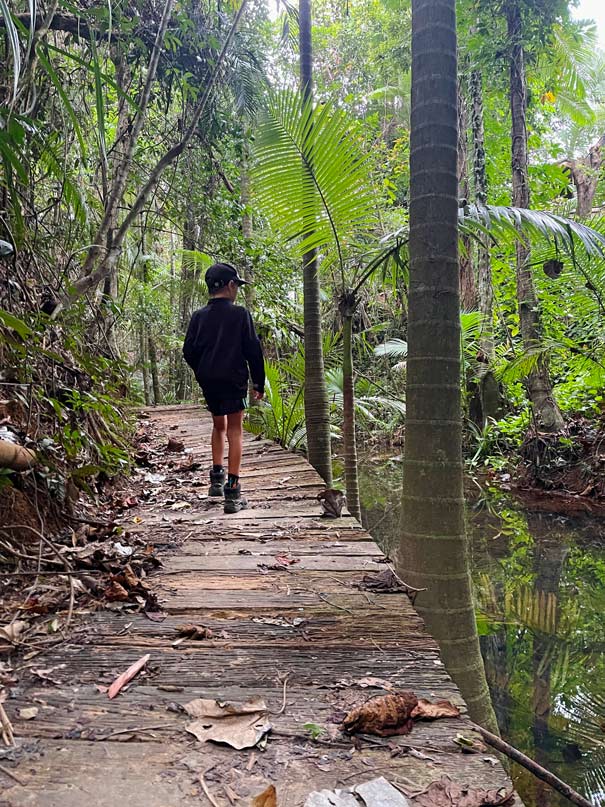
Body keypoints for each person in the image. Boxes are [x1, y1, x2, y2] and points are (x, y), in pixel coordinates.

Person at [183, 262, 265, 513]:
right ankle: (232, 492)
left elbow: (188, 351)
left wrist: (202, 371)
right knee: (235, 430)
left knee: (219, 426)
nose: (237, 290)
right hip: (234, 380)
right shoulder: (240, 315)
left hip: (210, 381)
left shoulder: (198, 316)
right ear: (230, 286)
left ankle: (215, 481)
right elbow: (253, 349)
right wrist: (258, 382)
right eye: (237, 285)